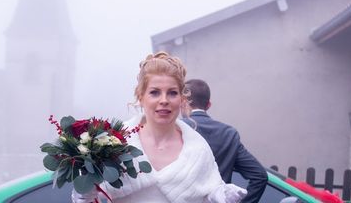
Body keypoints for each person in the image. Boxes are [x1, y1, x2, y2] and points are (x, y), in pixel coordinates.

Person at [73, 51, 247, 203]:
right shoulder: (113, 144)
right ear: (141, 97)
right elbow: (91, 198)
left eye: (172, 93)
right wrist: (83, 194)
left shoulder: (198, 149)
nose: (164, 100)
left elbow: (208, 192)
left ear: (182, 99)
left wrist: (220, 195)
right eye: (155, 92)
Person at [184, 79, 267, 203]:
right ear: (208, 105)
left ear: (182, 102)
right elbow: (260, 176)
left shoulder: (176, 129)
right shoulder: (229, 134)